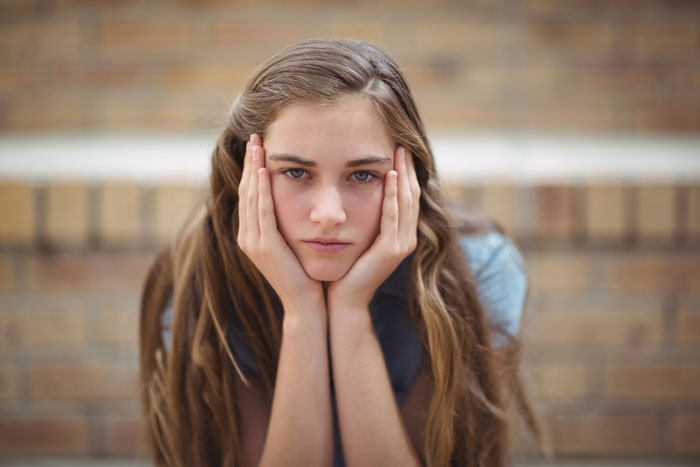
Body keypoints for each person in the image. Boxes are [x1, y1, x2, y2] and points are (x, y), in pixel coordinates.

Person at [140, 38, 546, 467]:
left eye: (363, 175)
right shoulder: (198, 276)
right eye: (296, 172)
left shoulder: (478, 272)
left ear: (408, 179)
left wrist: (351, 311)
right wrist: (302, 310)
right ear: (247, 173)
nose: (329, 214)